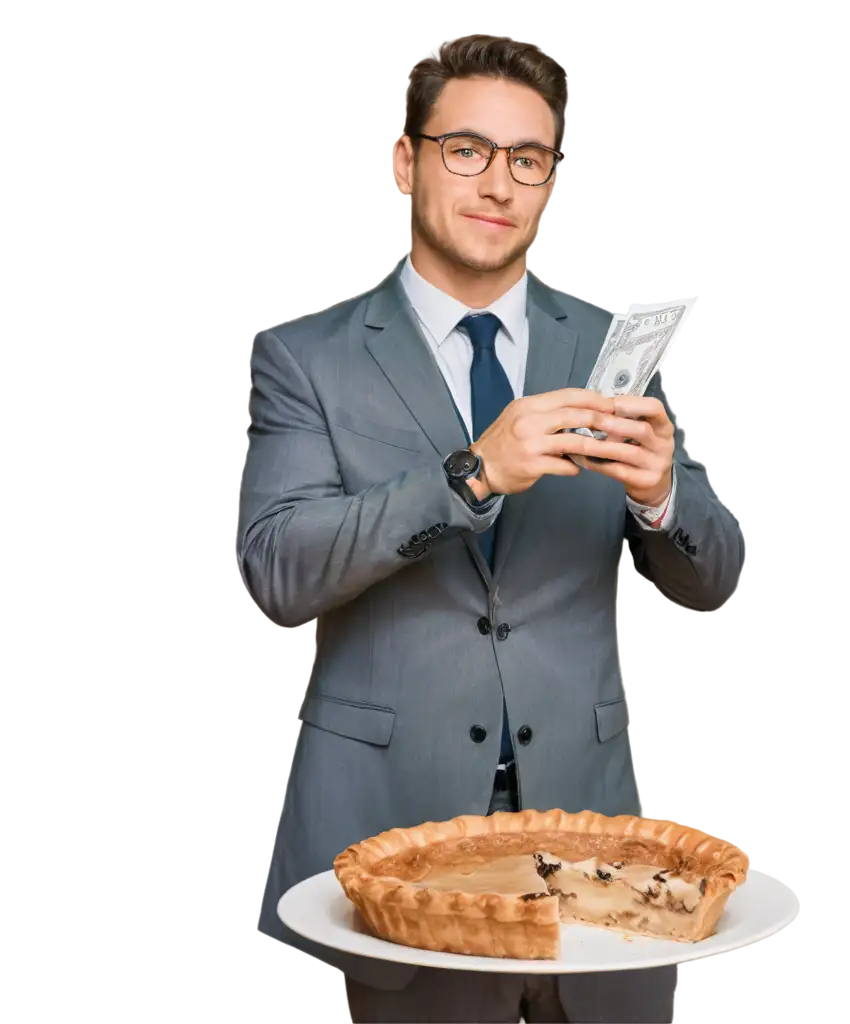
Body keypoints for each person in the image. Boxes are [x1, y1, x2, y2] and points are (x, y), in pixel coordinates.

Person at [237, 31, 742, 1023]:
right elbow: (277, 572)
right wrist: (474, 472)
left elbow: (713, 577)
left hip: (594, 841)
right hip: (401, 839)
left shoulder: (607, 346)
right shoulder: (306, 360)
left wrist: (661, 496)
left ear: (550, 179)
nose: (496, 181)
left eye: (527, 158)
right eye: (465, 149)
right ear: (404, 160)